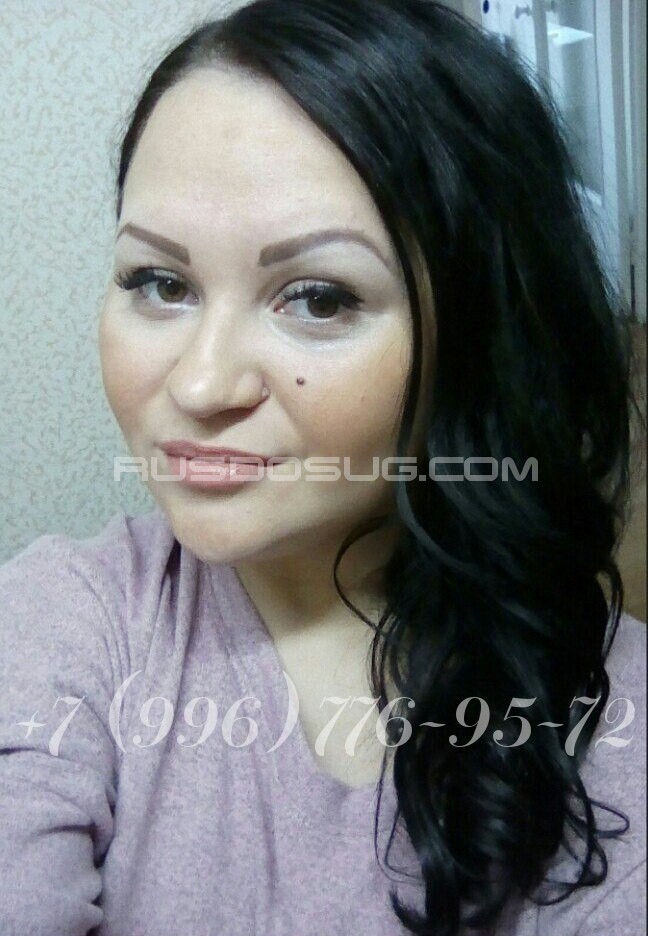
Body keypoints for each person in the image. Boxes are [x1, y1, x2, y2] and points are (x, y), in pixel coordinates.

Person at [0, 1, 645, 934]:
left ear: (481, 336)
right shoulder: (64, 623)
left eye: (318, 298)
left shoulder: (618, 721)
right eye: (160, 283)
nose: (202, 384)